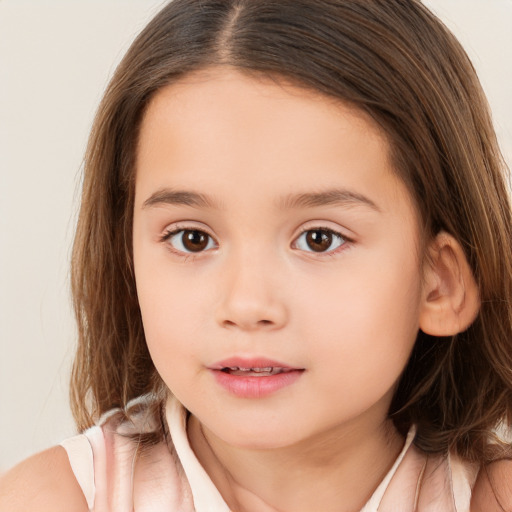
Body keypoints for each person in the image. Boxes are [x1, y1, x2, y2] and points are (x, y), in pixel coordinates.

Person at [1, 0, 511, 510]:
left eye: (319, 239)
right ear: (128, 259)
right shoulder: (53, 500)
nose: (247, 304)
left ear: (439, 282)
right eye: (192, 238)